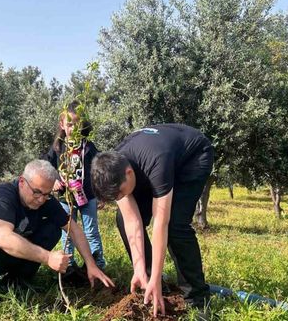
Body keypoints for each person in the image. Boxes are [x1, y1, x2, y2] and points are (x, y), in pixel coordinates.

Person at [0, 159, 114, 308]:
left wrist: (91, 264)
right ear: (22, 182)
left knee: (53, 228)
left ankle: (17, 281)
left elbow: (74, 229)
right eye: (36, 192)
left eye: (47, 194)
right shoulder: (2, 196)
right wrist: (48, 257)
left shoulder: (45, 200)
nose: (41, 199)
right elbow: (2, 238)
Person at [91, 124, 213, 317]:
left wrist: (156, 275)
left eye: (120, 192)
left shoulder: (157, 162)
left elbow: (160, 223)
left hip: (193, 158)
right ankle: (148, 280)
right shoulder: (115, 167)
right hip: (153, 161)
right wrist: (140, 269)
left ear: (129, 173)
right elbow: (132, 222)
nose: (120, 196)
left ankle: (197, 298)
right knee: (122, 218)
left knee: (175, 225)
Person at [42, 101, 106, 284]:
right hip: (64, 198)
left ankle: (97, 264)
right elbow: (46, 165)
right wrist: (53, 180)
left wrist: (101, 194)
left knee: (91, 231)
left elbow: (98, 169)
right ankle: (69, 265)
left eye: (77, 124)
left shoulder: (88, 147)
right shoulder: (57, 147)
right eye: (69, 124)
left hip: (88, 197)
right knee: (68, 231)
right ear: (62, 125)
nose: (73, 128)